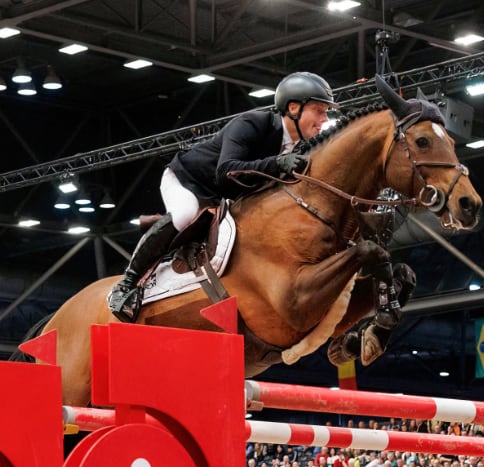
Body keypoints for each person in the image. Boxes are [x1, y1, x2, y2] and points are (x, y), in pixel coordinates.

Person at [107, 71, 336, 321]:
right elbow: (226, 171)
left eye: (325, 112)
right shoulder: (252, 123)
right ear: (293, 107)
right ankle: (127, 283)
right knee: (184, 215)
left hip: (226, 197)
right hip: (188, 180)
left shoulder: (301, 147)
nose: (324, 120)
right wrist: (277, 163)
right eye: (319, 111)